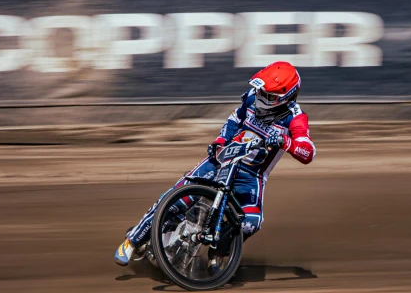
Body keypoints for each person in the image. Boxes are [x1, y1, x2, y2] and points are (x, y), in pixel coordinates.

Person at [114, 60, 316, 267]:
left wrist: (287, 141)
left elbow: (308, 152)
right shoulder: (250, 99)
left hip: (251, 175)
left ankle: (218, 252)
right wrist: (220, 141)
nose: (261, 99)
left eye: (269, 96)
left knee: (251, 223)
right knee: (178, 198)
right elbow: (233, 121)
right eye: (260, 92)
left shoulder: (295, 119)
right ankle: (132, 241)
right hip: (222, 160)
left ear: (286, 97)